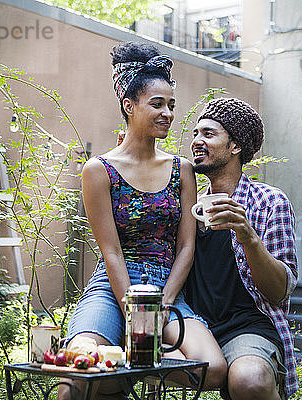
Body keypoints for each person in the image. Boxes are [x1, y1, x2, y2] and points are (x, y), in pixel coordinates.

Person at [59, 42, 226, 400]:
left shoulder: (181, 169)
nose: (167, 113)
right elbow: (111, 252)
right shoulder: (98, 171)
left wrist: (161, 307)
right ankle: (127, 371)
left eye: (171, 106)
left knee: (212, 370)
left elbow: (186, 247)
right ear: (129, 106)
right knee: (75, 376)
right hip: (113, 287)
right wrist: (134, 315)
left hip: (166, 289)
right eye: (157, 104)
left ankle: (138, 375)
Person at [185, 98, 299, 400]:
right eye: (196, 133)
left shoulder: (269, 202)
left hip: (247, 326)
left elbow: (279, 291)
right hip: (192, 326)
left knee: (250, 380)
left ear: (234, 146)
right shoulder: (185, 204)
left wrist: (247, 235)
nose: (197, 141)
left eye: (208, 134)